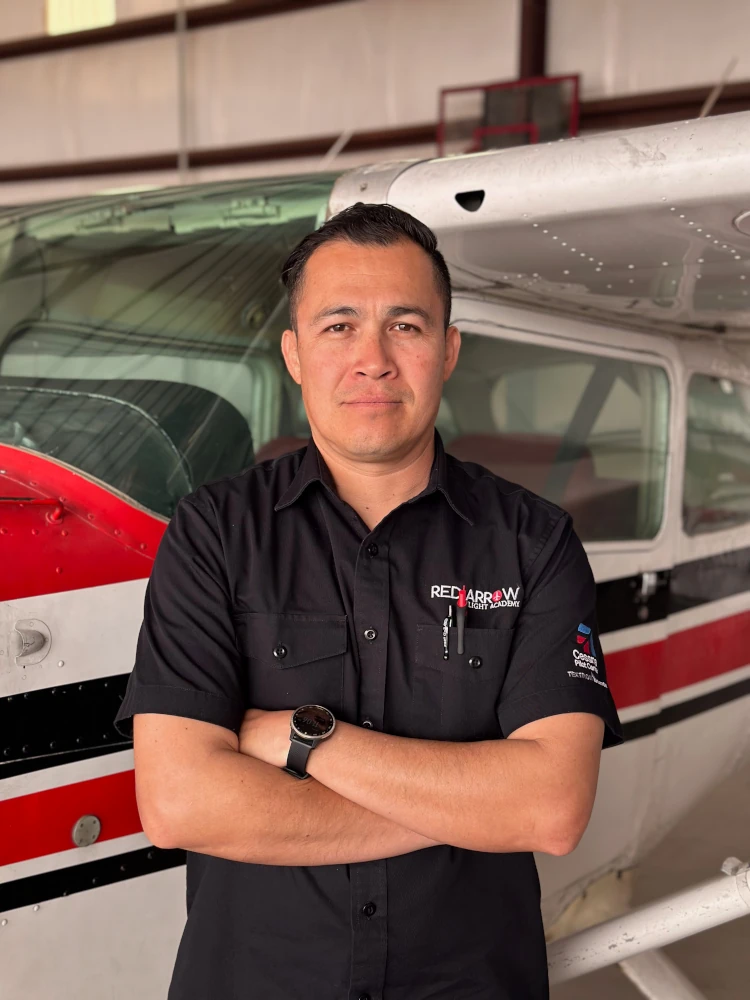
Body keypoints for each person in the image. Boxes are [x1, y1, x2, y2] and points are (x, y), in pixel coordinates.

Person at [114, 202, 623, 1000]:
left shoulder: (535, 542)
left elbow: (553, 808)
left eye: (407, 327)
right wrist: (473, 810)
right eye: (339, 326)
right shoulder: (212, 534)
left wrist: (302, 739)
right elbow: (179, 804)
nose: (373, 359)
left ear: (448, 350)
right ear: (293, 353)